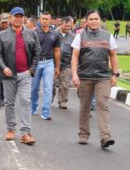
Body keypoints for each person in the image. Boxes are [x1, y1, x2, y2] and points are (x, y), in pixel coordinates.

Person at [71, 10, 119, 148]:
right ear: (86, 21)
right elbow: (74, 57)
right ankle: (83, 135)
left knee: (102, 105)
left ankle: (105, 137)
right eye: (91, 19)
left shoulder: (108, 36)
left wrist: (115, 74)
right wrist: (74, 75)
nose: (93, 21)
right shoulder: (80, 36)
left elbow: (113, 56)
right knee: (84, 106)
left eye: (96, 19)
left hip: (103, 77)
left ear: (100, 20)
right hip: (84, 77)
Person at [0, 6, 40, 145]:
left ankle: (25, 133)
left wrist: (31, 69)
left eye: (21, 16)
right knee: (9, 103)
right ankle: (10, 129)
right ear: (10, 18)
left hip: (25, 74)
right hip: (9, 75)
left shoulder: (32, 34)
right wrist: (4, 67)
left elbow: (37, 53)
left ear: (24, 18)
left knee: (26, 101)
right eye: (16, 16)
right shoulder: (2, 35)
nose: (18, 19)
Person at [31, 12, 60, 120]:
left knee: (48, 88)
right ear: (39, 19)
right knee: (34, 88)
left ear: (50, 20)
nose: (45, 20)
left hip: (49, 63)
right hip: (36, 63)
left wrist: (57, 67)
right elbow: (30, 49)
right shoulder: (34, 33)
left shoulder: (55, 34)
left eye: (47, 19)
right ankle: (33, 106)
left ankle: (46, 112)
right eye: (43, 18)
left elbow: (57, 51)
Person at [52, 17, 74, 109]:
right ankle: (49, 98)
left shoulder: (73, 37)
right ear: (61, 24)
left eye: (69, 26)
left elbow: (75, 52)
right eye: (65, 26)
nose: (67, 28)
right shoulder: (53, 34)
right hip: (53, 63)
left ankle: (63, 101)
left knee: (65, 84)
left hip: (66, 63)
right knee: (51, 83)